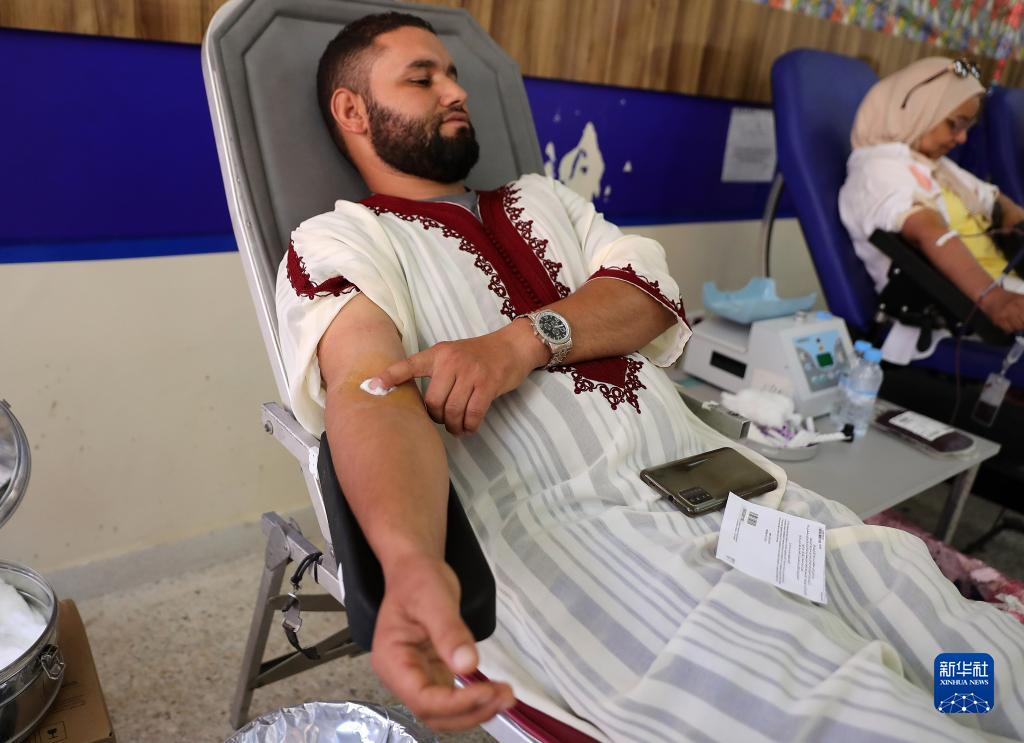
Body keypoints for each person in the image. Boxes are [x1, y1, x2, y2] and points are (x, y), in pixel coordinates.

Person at [278, 15, 1024, 740]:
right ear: (353, 111)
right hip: (592, 545)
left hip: (730, 496)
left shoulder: (543, 198)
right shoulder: (343, 240)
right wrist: (410, 561)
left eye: (452, 73)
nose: (456, 91)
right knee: (854, 703)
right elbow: (370, 394)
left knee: (936, 628)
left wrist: (518, 344)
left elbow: (645, 292)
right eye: (423, 79)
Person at [839, 56, 1024, 354]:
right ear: (919, 109)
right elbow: (928, 232)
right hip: (965, 318)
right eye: (955, 125)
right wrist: (993, 300)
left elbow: (996, 201)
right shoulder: (879, 171)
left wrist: (1014, 222)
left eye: (967, 126)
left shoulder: (935, 165)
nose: (962, 138)